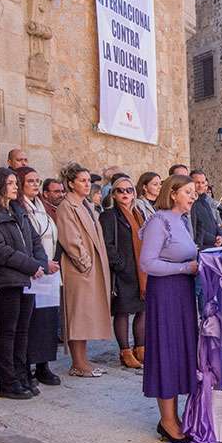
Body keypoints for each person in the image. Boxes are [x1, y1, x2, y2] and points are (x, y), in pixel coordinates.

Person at [138, 176, 201, 443]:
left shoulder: (183, 221)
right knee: (167, 350)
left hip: (183, 293)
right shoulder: (158, 221)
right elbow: (147, 263)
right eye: (188, 191)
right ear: (173, 193)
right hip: (165, 293)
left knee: (181, 350)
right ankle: (167, 420)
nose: (193, 196)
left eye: (194, 192)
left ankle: (176, 415)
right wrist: (184, 268)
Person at [0, 167, 47, 399]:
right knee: (8, 331)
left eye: (16, 182)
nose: (16, 186)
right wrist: (31, 265)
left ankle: (21, 374)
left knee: (22, 331)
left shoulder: (17, 209)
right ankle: (7, 381)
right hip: (5, 279)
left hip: (25, 278)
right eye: (10, 183)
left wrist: (41, 262)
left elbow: (34, 238)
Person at [53, 162, 115, 377]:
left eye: (88, 180)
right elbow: (70, 238)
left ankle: (83, 360)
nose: (87, 184)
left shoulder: (87, 205)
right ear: (71, 183)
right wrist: (85, 263)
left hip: (92, 268)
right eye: (82, 180)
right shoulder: (66, 207)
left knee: (86, 314)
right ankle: (77, 363)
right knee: (77, 314)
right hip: (79, 269)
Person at [21, 170, 64, 388]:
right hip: (31, 270)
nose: (35, 184)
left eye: (37, 181)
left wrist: (52, 262)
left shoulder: (40, 207)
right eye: (30, 181)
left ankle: (43, 365)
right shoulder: (20, 207)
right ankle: (26, 365)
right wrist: (39, 263)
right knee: (31, 322)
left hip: (48, 271)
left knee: (47, 319)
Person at [99, 174, 147, 369]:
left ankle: (140, 349)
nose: (125, 193)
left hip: (141, 271)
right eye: (121, 190)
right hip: (123, 272)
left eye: (129, 190)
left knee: (143, 310)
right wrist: (120, 264)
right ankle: (125, 352)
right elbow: (107, 244)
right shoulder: (109, 215)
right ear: (114, 194)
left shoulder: (138, 213)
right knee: (123, 312)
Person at [188, 169, 221, 250]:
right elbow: (195, 228)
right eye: (197, 183)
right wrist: (214, 239)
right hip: (201, 247)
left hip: (212, 245)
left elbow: (213, 221)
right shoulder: (190, 203)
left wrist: (220, 234)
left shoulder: (205, 201)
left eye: (203, 183)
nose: (201, 186)